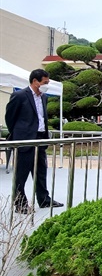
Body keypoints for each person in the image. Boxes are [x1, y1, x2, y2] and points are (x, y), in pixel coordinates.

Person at [5, 69, 64, 213]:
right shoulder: (19, 96)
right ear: (35, 81)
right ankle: (20, 204)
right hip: (25, 139)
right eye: (45, 82)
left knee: (41, 171)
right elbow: (10, 118)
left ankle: (44, 199)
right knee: (21, 174)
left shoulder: (43, 97)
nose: (47, 85)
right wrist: (19, 133)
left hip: (40, 138)